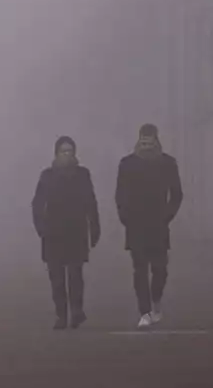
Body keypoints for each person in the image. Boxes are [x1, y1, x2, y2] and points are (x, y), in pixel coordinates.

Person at [114, 123, 183, 329]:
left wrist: (167, 216)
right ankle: (144, 311)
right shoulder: (127, 164)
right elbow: (120, 194)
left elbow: (177, 194)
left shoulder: (167, 163)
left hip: (159, 224)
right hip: (135, 225)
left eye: (149, 142)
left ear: (156, 140)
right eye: (143, 141)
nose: (146, 145)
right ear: (139, 140)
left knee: (160, 270)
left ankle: (156, 300)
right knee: (140, 270)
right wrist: (125, 217)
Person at [32, 136, 101, 329]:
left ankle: (77, 311)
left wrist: (94, 227)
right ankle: (61, 314)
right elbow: (37, 204)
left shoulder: (82, 174)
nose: (67, 154)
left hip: (76, 231)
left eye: (70, 151)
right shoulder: (47, 176)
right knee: (57, 278)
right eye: (63, 151)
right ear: (56, 153)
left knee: (75, 275)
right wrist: (41, 228)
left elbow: (91, 202)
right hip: (53, 233)